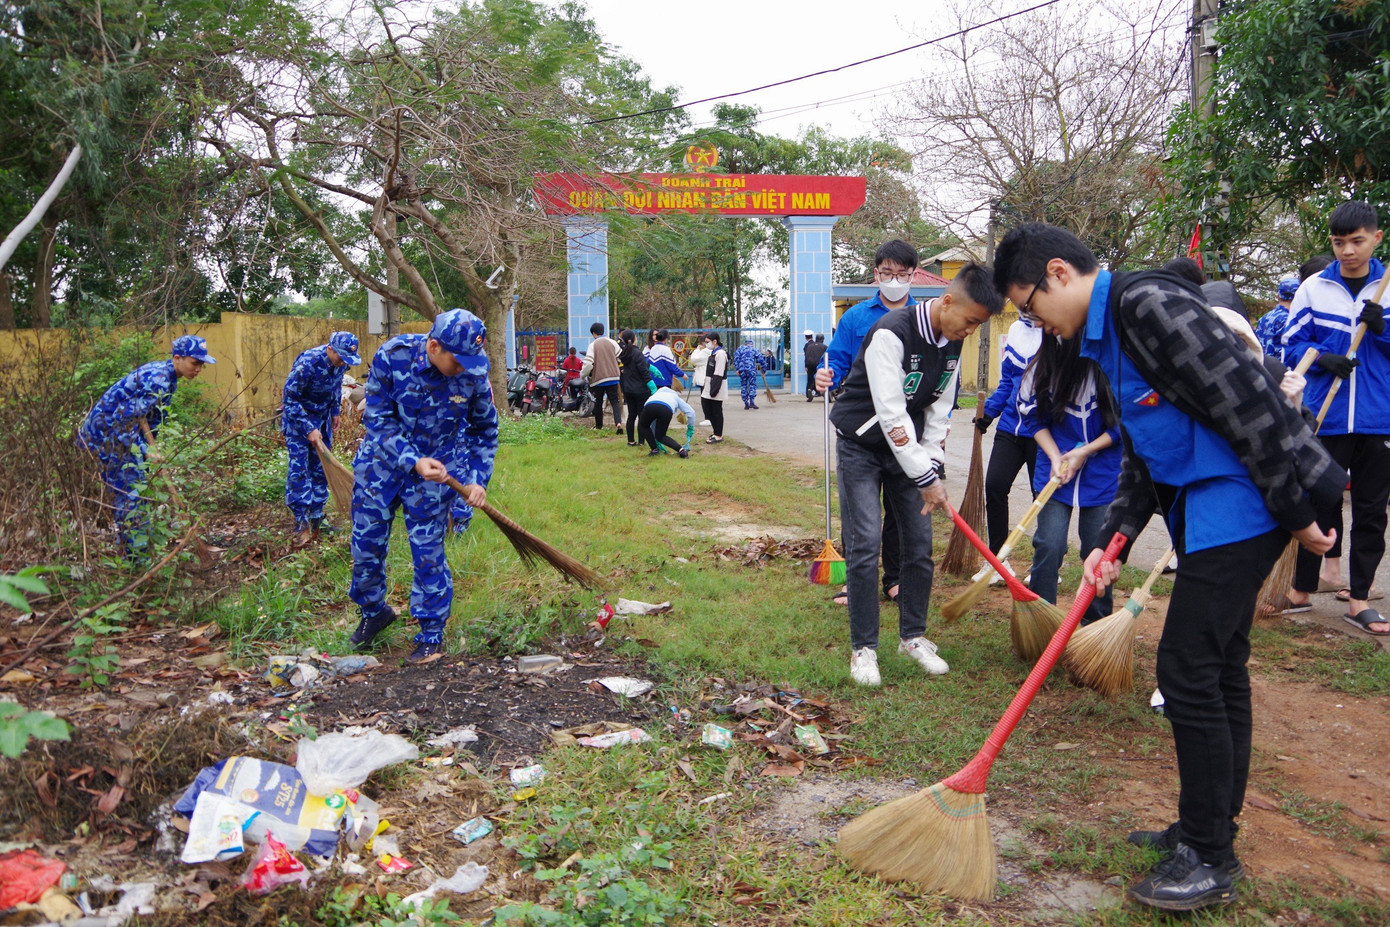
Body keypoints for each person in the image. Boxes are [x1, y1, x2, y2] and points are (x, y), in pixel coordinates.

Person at [993, 221, 1343, 912]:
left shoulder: (1144, 306)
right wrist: (1115, 538)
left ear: (1058, 273)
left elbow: (1249, 402)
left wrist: (1297, 514)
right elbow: (1143, 445)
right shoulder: (1107, 336)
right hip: (1212, 506)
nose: (1037, 322)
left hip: (1248, 503)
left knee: (1186, 669)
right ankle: (1207, 823)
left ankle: (1210, 856)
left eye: (1031, 305)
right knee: (1217, 667)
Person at [823, 262, 1002, 686]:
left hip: (910, 454)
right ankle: (864, 649)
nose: (971, 331)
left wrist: (933, 465)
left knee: (918, 545)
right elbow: (891, 413)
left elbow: (938, 411)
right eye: (971, 320)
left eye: (980, 326)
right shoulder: (891, 331)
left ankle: (913, 637)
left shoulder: (954, 343)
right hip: (863, 446)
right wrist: (927, 478)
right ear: (947, 301)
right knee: (865, 544)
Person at [347, 308, 499, 663]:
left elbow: (484, 431)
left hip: (437, 474)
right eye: (457, 360)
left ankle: (431, 632)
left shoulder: (473, 372)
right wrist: (412, 460)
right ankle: (373, 613)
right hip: (381, 466)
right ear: (433, 346)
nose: (463, 368)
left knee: (428, 554)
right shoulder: (392, 356)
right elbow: (378, 419)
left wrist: (477, 479)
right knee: (365, 548)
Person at [1280, 201, 1390, 633]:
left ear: (1376, 238)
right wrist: (1323, 357)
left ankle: (1359, 599)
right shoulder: (1313, 289)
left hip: (1379, 418)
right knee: (1318, 501)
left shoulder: (1387, 289)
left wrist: (1381, 331)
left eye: (1357, 241)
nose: (1347, 251)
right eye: (1339, 242)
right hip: (1324, 418)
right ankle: (1301, 590)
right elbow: (1291, 345)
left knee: (1371, 510)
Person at [816, 239, 922, 607]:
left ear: (913, 275)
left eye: (902, 274)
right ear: (876, 273)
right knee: (858, 511)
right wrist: (823, 374)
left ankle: (894, 578)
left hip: (905, 429)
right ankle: (856, 580)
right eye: (888, 273)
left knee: (899, 511)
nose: (895, 280)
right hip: (860, 428)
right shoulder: (856, 317)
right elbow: (836, 359)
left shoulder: (922, 318)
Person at [78, 335, 216, 557]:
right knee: (131, 496)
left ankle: (132, 552)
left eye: (201, 364)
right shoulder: (159, 380)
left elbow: (143, 419)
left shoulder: (167, 376)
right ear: (178, 358)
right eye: (195, 363)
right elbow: (121, 420)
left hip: (119, 438)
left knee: (135, 491)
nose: (198, 369)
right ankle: (136, 560)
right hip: (108, 438)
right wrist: (145, 451)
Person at [1019, 333, 1121, 626]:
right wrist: (1054, 457)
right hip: (1056, 469)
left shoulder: (1111, 367)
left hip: (1102, 471)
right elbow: (1033, 419)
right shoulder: (1040, 369)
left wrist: (1085, 452)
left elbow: (1121, 426)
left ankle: (1095, 626)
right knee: (1049, 544)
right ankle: (1041, 621)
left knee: (1097, 551)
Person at [281, 331, 362, 540]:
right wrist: (308, 428)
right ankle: (301, 520)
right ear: (329, 349)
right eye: (341, 357)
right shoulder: (308, 363)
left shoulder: (341, 362)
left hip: (323, 419)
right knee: (300, 469)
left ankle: (317, 518)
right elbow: (289, 400)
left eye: (347, 359)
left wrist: (335, 411)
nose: (344, 362)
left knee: (320, 469)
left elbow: (336, 386)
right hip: (298, 421)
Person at [975, 314, 1041, 557]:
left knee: (1042, 497)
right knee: (995, 486)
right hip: (1010, 427)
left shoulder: (1060, 330)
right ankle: (997, 560)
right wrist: (990, 411)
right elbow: (1007, 382)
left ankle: (1045, 564)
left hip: (1043, 432)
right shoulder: (1015, 329)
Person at [581, 322, 623, 432]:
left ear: (594, 333)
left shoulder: (593, 345)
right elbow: (620, 357)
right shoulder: (612, 342)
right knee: (615, 401)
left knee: (598, 403)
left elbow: (589, 364)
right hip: (613, 378)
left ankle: (599, 426)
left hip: (598, 380)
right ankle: (618, 423)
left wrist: (583, 375)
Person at [618, 330, 656, 446]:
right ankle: (641, 441)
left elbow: (640, 364)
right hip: (640, 390)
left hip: (628, 389)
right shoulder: (637, 353)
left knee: (631, 416)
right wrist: (652, 385)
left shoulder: (624, 353)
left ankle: (630, 441)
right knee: (642, 416)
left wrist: (650, 367)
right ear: (634, 339)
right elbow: (643, 371)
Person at [640, 385, 696, 457]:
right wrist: (690, 428)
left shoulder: (655, 395)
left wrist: (654, 439)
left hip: (650, 406)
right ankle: (681, 450)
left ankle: (654, 449)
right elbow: (691, 413)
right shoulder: (675, 396)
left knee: (644, 426)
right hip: (666, 409)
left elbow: (652, 422)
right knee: (661, 436)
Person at [1256, 275, 1299, 361]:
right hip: (1279, 370)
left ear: (1278, 296)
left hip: (1261, 367)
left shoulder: (1264, 317)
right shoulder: (1290, 321)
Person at [699, 331, 728, 443]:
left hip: (716, 387)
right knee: (707, 408)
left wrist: (714, 390)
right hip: (709, 386)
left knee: (716, 411)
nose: (706, 344)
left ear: (715, 341)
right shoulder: (713, 353)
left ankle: (718, 435)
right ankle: (715, 432)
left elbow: (718, 374)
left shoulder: (720, 354)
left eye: (708, 342)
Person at [733, 337, 763, 410]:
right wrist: (764, 370)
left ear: (745, 344)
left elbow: (736, 359)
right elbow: (761, 359)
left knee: (744, 386)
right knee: (752, 385)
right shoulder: (754, 350)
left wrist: (737, 369)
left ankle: (746, 403)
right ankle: (752, 402)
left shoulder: (740, 349)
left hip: (742, 370)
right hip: (751, 370)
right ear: (751, 344)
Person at [804, 333, 827, 401]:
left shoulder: (809, 346)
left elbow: (806, 356)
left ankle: (808, 396)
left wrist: (806, 365)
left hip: (810, 365)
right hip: (819, 365)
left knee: (810, 379)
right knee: (817, 378)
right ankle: (812, 390)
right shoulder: (825, 347)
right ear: (822, 339)